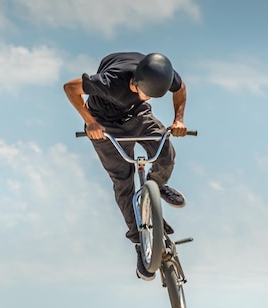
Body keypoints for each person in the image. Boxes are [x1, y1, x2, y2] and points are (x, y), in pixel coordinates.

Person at [64, 52, 188, 280]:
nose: (149, 98)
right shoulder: (110, 82)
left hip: (138, 117)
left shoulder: (158, 73)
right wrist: (91, 122)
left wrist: (178, 119)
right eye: (147, 94)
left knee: (165, 151)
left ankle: (157, 185)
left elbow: (180, 87)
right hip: (105, 124)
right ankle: (140, 242)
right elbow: (70, 88)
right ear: (134, 84)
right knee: (123, 182)